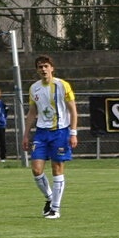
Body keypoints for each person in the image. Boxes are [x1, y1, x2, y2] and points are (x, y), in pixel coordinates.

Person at [22, 55, 77, 219]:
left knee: (56, 168)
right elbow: (32, 112)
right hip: (41, 132)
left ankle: (55, 209)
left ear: (52, 68)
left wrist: (73, 133)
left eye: (46, 66)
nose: (43, 69)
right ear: (37, 70)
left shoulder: (62, 85)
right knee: (36, 169)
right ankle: (50, 197)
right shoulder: (34, 88)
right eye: (40, 67)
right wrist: (26, 134)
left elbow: (73, 111)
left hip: (60, 132)